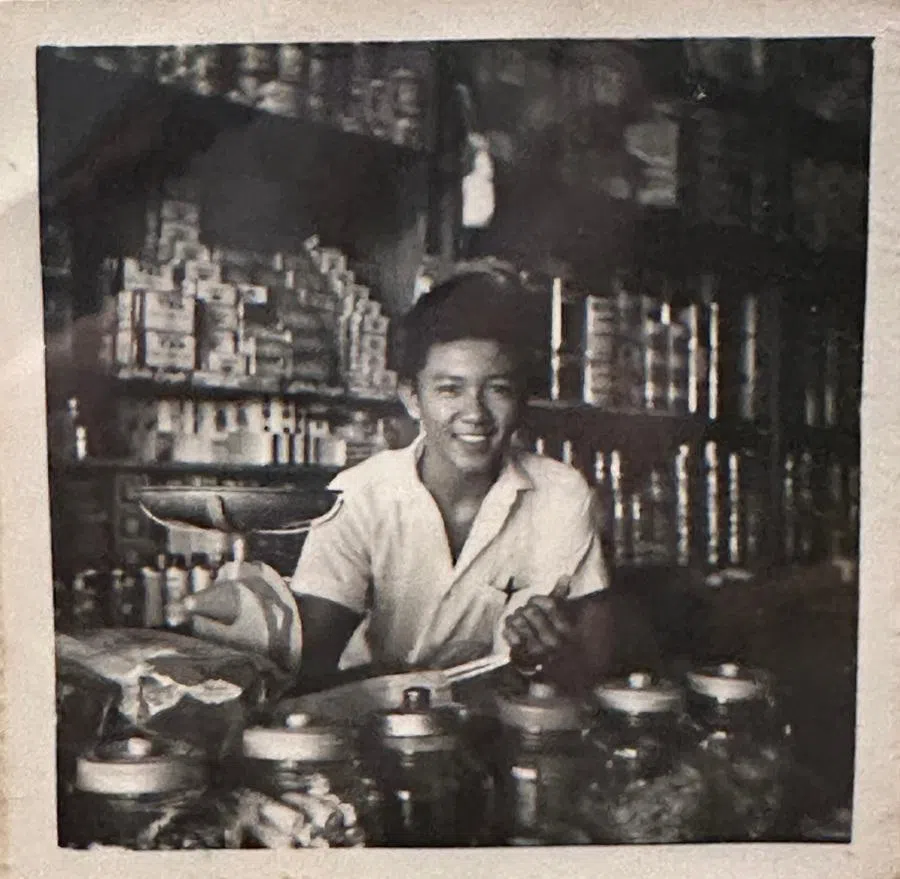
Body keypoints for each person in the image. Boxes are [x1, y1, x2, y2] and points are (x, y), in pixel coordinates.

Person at [291, 264, 616, 693]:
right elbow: (310, 664)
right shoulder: (358, 495)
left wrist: (546, 656)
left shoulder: (560, 494)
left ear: (521, 399)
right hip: (373, 717)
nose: (475, 413)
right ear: (413, 398)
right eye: (449, 389)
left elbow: (594, 659)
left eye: (497, 389)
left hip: (501, 719)